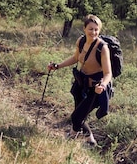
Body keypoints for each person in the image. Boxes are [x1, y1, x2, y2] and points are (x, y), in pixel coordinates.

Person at [48, 14, 113, 146]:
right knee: (79, 114)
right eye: (90, 29)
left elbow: (108, 73)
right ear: (84, 29)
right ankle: (81, 137)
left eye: (96, 29)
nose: (93, 32)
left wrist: (103, 85)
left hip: (96, 89)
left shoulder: (102, 48)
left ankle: (84, 139)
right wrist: (58, 66)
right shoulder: (81, 41)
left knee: (76, 117)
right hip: (81, 84)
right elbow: (75, 58)